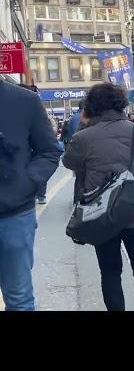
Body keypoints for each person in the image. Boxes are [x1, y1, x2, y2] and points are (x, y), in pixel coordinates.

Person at [62, 83, 134, 311]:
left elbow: (69, 162)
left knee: (110, 271)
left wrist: (83, 126)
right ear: (121, 105)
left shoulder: (83, 138)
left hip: (102, 215)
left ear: (91, 108)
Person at [0, 80, 62, 310]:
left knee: (18, 297)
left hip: (13, 216)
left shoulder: (24, 101)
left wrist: (25, 185)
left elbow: (49, 151)